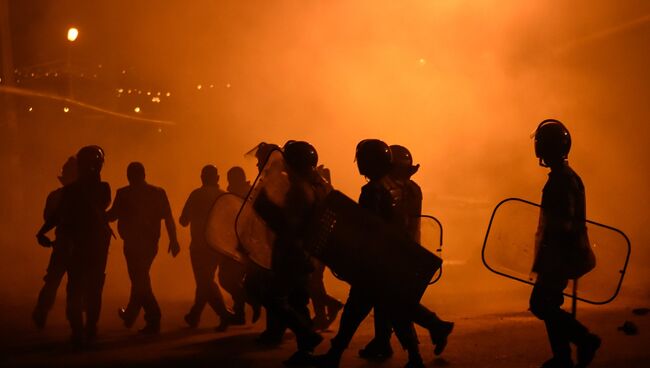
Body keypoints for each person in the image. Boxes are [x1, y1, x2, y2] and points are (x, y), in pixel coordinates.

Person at [529, 120, 600, 368]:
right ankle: (562, 357)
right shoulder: (567, 177)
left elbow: (562, 223)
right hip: (561, 255)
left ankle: (584, 339)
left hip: (559, 256)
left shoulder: (561, 180)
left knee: (539, 304)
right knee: (549, 304)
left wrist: (551, 258)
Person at [36, 145, 112, 346]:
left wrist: (42, 231)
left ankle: (82, 329)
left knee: (79, 289)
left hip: (80, 246)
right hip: (85, 246)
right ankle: (83, 329)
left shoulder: (83, 190)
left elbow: (57, 216)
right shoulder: (97, 188)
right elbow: (58, 216)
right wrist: (43, 231)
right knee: (85, 289)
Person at [107, 162, 180, 334]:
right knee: (140, 278)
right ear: (144, 174)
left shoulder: (124, 193)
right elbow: (168, 218)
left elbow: (112, 215)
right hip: (150, 244)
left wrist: (98, 214)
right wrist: (173, 240)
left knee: (139, 279)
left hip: (133, 244)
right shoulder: (157, 193)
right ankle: (132, 316)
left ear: (129, 176)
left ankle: (152, 317)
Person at [180, 165, 235, 330]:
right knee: (205, 281)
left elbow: (183, 220)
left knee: (204, 281)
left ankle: (223, 314)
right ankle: (195, 315)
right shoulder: (224, 196)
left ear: (202, 177)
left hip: (199, 245)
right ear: (217, 178)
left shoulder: (196, 195)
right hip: (217, 246)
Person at [32, 156, 78, 329]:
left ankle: (42, 310)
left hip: (65, 243)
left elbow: (49, 218)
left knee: (53, 280)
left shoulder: (56, 196)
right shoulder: (84, 196)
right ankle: (76, 324)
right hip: (73, 244)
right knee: (73, 284)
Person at [221, 166, 261, 324]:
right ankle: (240, 313)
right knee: (235, 278)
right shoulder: (243, 193)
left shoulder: (246, 194)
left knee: (226, 278)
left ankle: (250, 303)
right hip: (239, 242)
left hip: (244, 244)